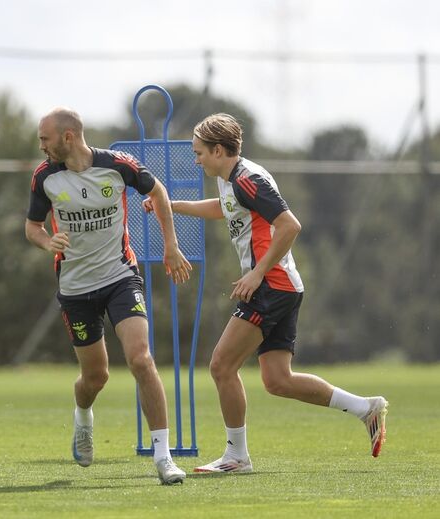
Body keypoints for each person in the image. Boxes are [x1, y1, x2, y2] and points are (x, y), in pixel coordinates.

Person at [143, 113, 388, 473]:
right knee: (277, 380)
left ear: (217, 150)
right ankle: (366, 408)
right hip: (282, 286)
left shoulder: (248, 179)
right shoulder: (230, 180)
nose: (196, 160)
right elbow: (224, 210)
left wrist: (257, 274)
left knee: (221, 365)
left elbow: (290, 225)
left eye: (199, 153)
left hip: (271, 285)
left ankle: (237, 456)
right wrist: (172, 206)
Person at [25, 107, 193, 485]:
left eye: (45, 138)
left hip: (120, 277)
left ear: (68, 137)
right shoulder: (44, 177)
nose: (41, 146)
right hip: (75, 288)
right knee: (95, 377)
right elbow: (32, 226)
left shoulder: (118, 165)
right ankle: (83, 417)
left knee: (141, 359)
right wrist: (46, 241)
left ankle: (163, 458)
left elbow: (158, 191)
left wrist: (171, 245)